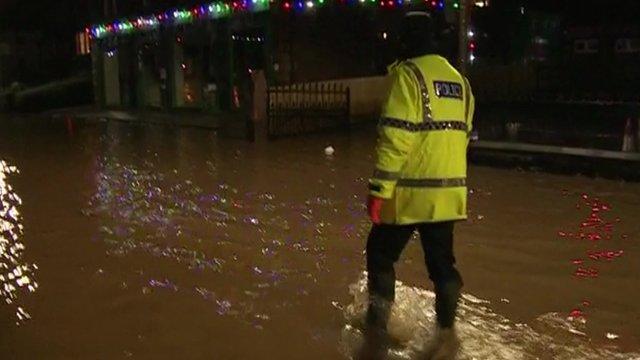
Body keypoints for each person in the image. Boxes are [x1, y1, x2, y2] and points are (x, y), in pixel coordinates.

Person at [362, 11, 475, 360]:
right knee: (442, 266)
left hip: (409, 195)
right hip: (448, 196)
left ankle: (374, 333)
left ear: (406, 41)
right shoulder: (459, 81)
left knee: (380, 254)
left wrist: (379, 191)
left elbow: (395, 139)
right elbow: (463, 135)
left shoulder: (406, 78)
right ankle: (446, 335)